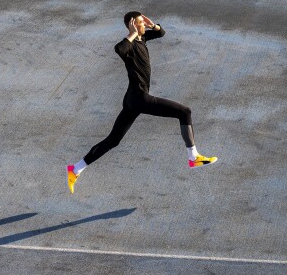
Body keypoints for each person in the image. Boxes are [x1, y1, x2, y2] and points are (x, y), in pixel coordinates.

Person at [68, 12, 215, 193]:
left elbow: (161, 33)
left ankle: (76, 168)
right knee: (185, 112)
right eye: (139, 23)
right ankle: (193, 157)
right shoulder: (129, 46)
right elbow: (119, 49)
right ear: (131, 26)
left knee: (113, 140)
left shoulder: (141, 39)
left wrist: (152, 25)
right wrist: (131, 34)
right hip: (140, 98)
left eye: (143, 22)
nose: (143, 24)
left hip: (131, 99)